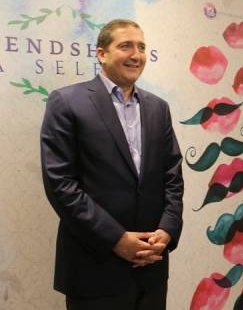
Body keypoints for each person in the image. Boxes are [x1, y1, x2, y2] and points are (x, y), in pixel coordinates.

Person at [40, 19, 184, 310]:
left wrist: (168, 229)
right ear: (101, 54)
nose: (136, 55)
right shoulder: (66, 102)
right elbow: (60, 184)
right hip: (95, 268)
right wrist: (116, 239)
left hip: (152, 268)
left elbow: (172, 174)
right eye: (126, 46)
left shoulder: (158, 108)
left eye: (141, 47)